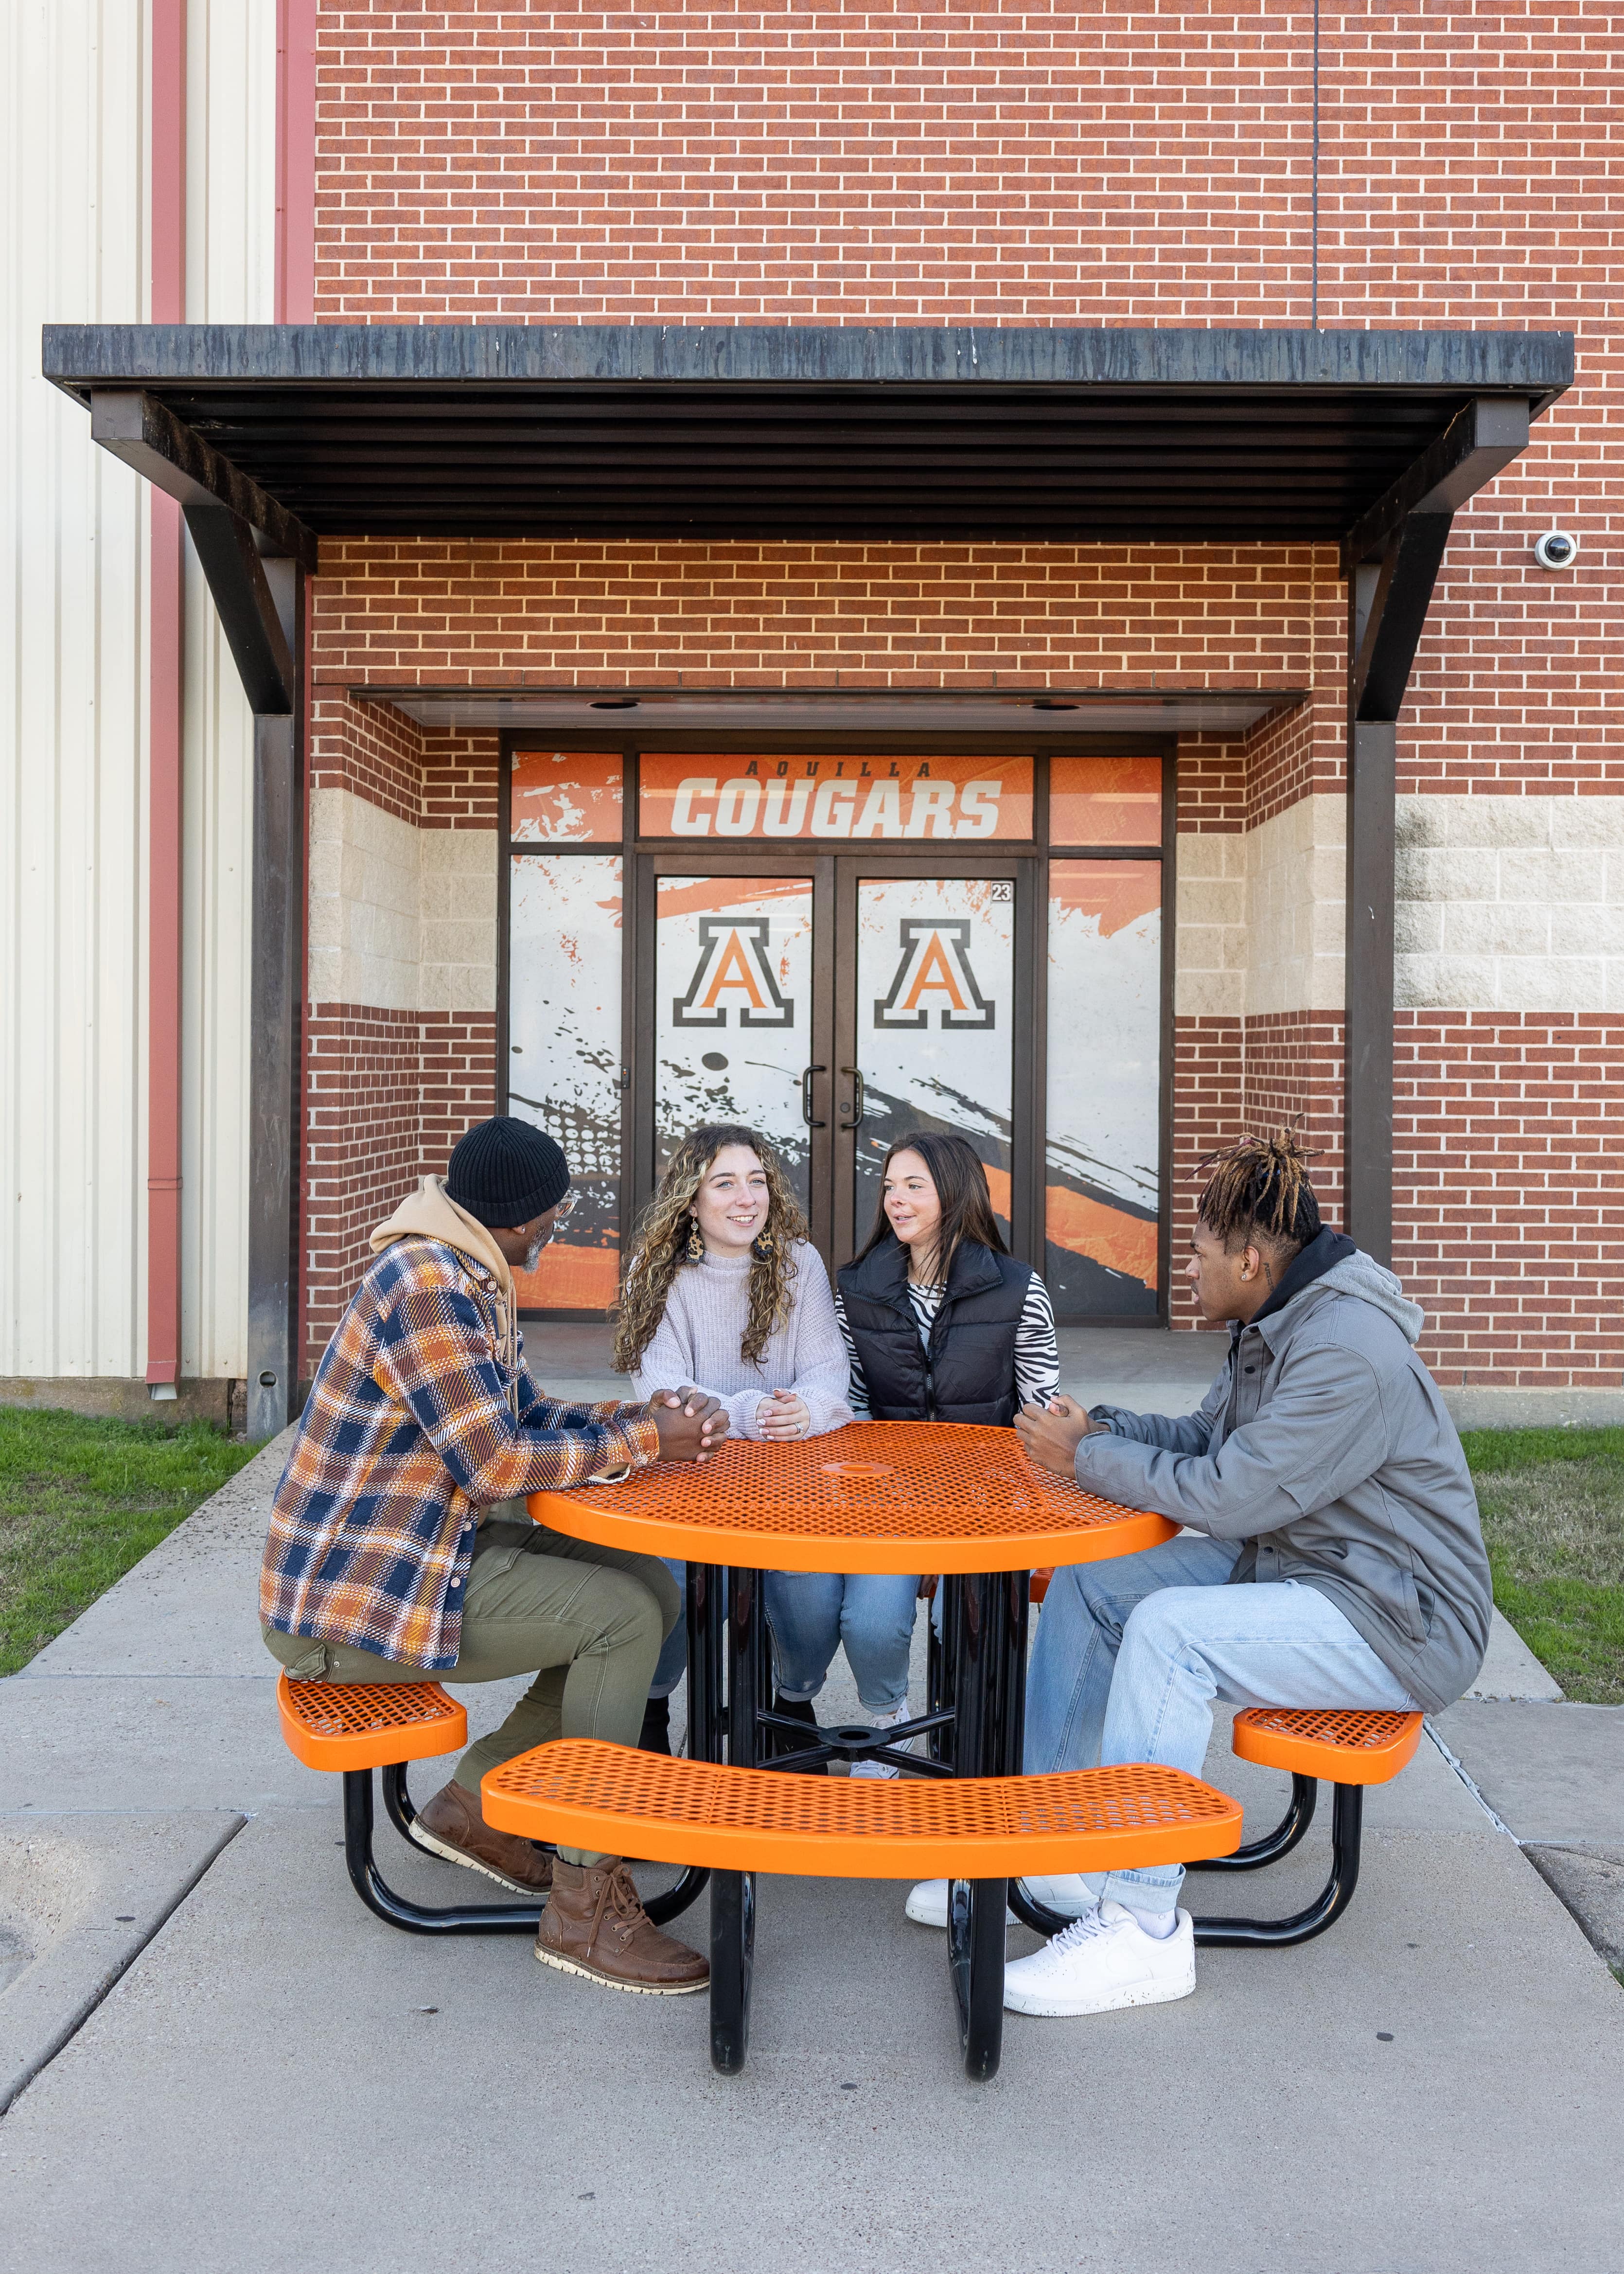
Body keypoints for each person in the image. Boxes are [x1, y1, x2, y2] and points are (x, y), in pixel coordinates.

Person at [932, 1126, 1491, 2021]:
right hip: (1306, 1567)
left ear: (1253, 1256)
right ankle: (1053, 1844)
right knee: (1096, 1581)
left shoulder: (1344, 1347)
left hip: (1398, 1615)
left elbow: (1232, 1493)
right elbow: (1210, 1439)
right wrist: (1099, 1429)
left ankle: (1141, 1925)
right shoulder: (1279, 1319)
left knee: (1169, 1633)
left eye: (1196, 1254)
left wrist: (1085, 1463)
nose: (1184, 1270)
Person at [260, 1114, 729, 1997]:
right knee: (622, 1621)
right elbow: (495, 1463)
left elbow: (517, 1412)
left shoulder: (459, 1264)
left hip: (418, 1555)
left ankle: (482, 1808)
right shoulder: (427, 1283)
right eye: (552, 1215)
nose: (555, 1228)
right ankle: (585, 1902)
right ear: (517, 1218)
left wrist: (641, 1426)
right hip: (358, 1604)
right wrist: (646, 1447)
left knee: (647, 1585)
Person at [613, 1124, 858, 1765]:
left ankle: (790, 1703)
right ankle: (654, 1704)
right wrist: (758, 1412)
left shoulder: (798, 1260)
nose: (746, 1198)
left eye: (757, 1182)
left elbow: (831, 1375)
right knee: (669, 1589)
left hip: (789, 1475)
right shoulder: (656, 1268)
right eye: (724, 1183)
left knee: (811, 1598)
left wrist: (807, 1410)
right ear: (692, 1199)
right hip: (684, 1475)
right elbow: (666, 1392)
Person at [833, 1130, 1061, 1775]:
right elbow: (849, 1405)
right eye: (889, 1187)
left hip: (986, 1499)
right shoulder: (857, 1287)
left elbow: (1042, 1408)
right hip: (887, 1497)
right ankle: (891, 1723)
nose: (896, 1201)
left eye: (914, 1186)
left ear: (955, 1194)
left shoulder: (1019, 1288)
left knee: (971, 1632)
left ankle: (968, 1746)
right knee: (872, 1625)